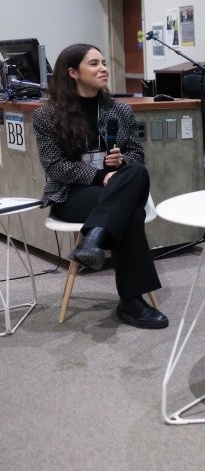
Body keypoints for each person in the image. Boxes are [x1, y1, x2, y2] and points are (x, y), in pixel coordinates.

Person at [33, 44, 168, 329]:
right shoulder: (47, 116)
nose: (103, 68)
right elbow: (55, 167)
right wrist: (100, 177)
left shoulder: (119, 110)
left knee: (137, 171)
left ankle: (93, 239)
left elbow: (136, 155)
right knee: (130, 213)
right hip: (72, 193)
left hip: (116, 187)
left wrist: (120, 162)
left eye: (104, 63)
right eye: (94, 64)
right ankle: (131, 301)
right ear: (73, 72)